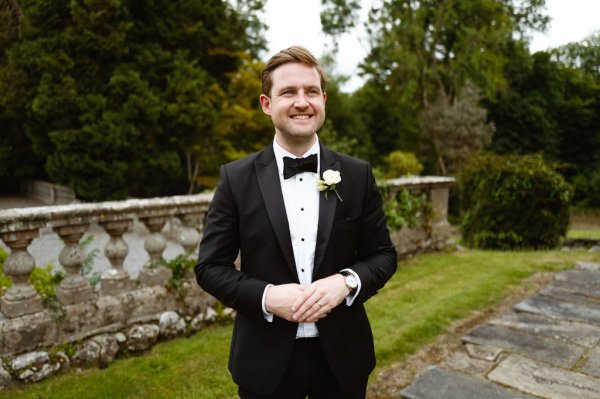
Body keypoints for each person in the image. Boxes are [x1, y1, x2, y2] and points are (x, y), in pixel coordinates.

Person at [195, 46, 397, 399]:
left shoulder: (356, 174)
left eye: (311, 91)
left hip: (343, 359)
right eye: (288, 92)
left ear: (323, 100)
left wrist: (345, 283)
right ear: (266, 103)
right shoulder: (236, 178)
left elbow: (383, 256)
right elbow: (210, 267)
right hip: (265, 361)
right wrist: (268, 297)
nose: (302, 101)